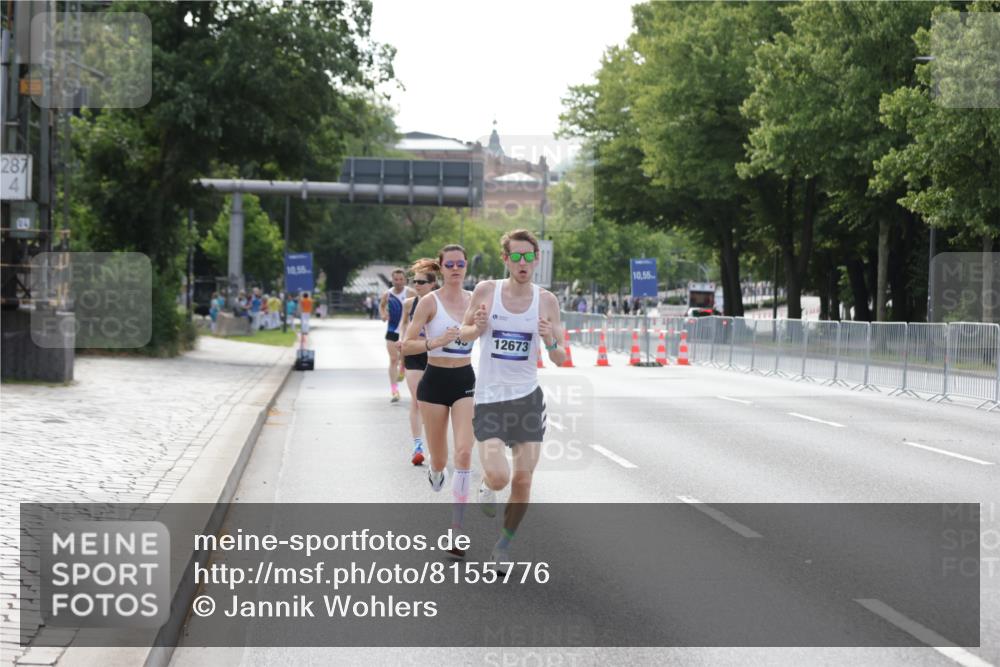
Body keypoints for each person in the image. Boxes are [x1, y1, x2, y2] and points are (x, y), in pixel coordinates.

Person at [459, 229, 565, 570]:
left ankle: (503, 547)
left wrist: (550, 342)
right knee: (501, 477)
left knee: (522, 480)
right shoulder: (486, 291)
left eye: (528, 256)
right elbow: (463, 334)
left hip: (527, 401)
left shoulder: (546, 300)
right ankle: (487, 486)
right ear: (505, 259)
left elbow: (562, 358)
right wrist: (475, 326)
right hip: (490, 400)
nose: (522, 262)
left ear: (536, 259)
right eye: (515, 256)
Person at [402, 245, 475, 556]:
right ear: (441, 269)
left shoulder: (476, 300)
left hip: (464, 381)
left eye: (460, 264)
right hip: (434, 382)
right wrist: (437, 341)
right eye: (450, 265)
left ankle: (457, 531)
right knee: (441, 459)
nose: (456, 269)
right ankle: (435, 470)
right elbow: (406, 345)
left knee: (464, 451)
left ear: (466, 267)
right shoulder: (429, 302)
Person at [398, 259, 438, 466]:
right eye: (415, 281)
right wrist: (401, 349)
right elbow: (404, 328)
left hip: (435, 355)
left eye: (422, 282)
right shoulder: (409, 304)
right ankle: (417, 445)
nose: (417, 285)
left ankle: (434, 446)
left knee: (431, 403)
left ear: (433, 284)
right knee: (417, 400)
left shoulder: (440, 303)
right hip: (414, 355)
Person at [380, 269, 414, 403]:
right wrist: (383, 314)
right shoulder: (387, 294)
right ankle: (394, 390)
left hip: (406, 331)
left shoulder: (410, 292)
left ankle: (403, 366)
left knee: (403, 356)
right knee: (393, 359)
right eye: (396, 279)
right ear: (392, 280)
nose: (398, 282)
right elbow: (381, 306)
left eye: (401, 279)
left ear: (405, 280)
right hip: (392, 330)